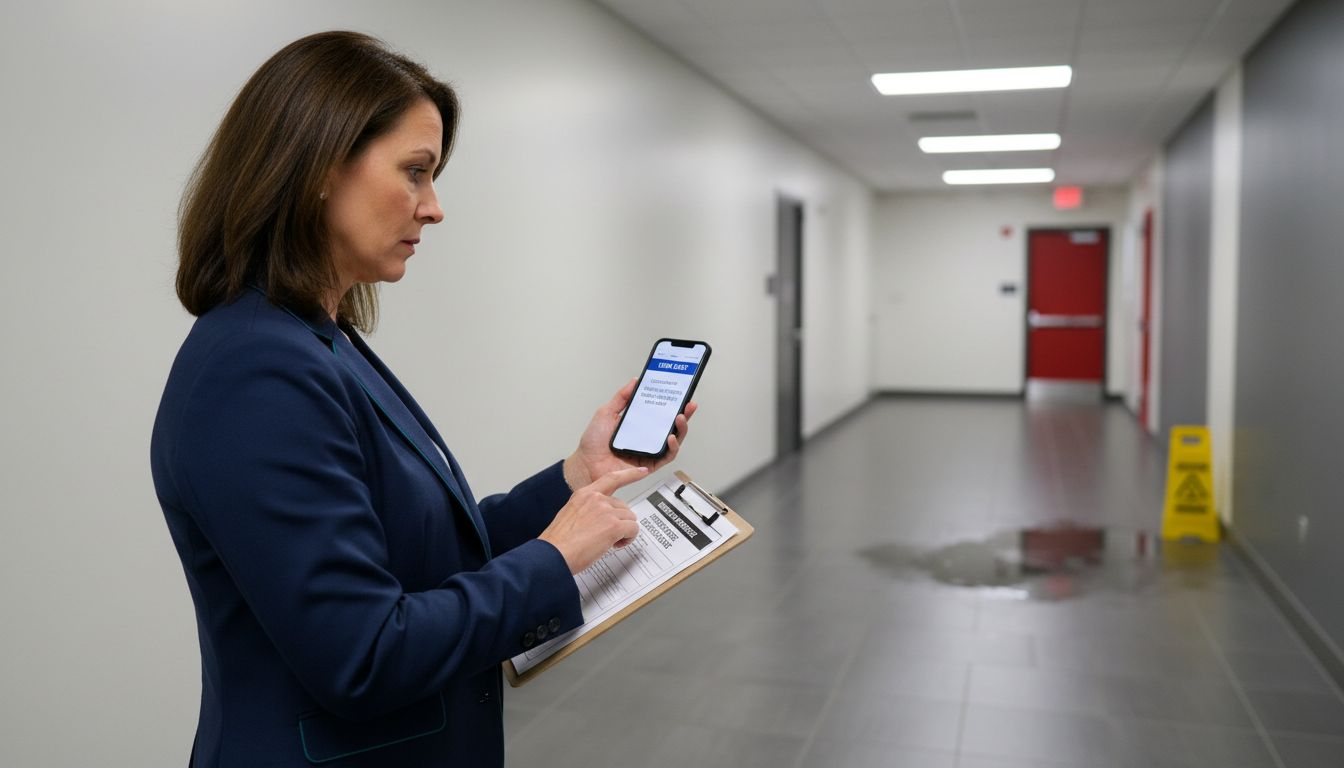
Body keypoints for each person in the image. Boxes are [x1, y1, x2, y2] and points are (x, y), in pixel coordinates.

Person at [150, 31, 694, 767]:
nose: (433, 208)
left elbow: (429, 557)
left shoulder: (320, 340)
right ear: (317, 167)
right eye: (415, 172)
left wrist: (579, 474)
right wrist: (554, 560)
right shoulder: (256, 371)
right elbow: (364, 655)